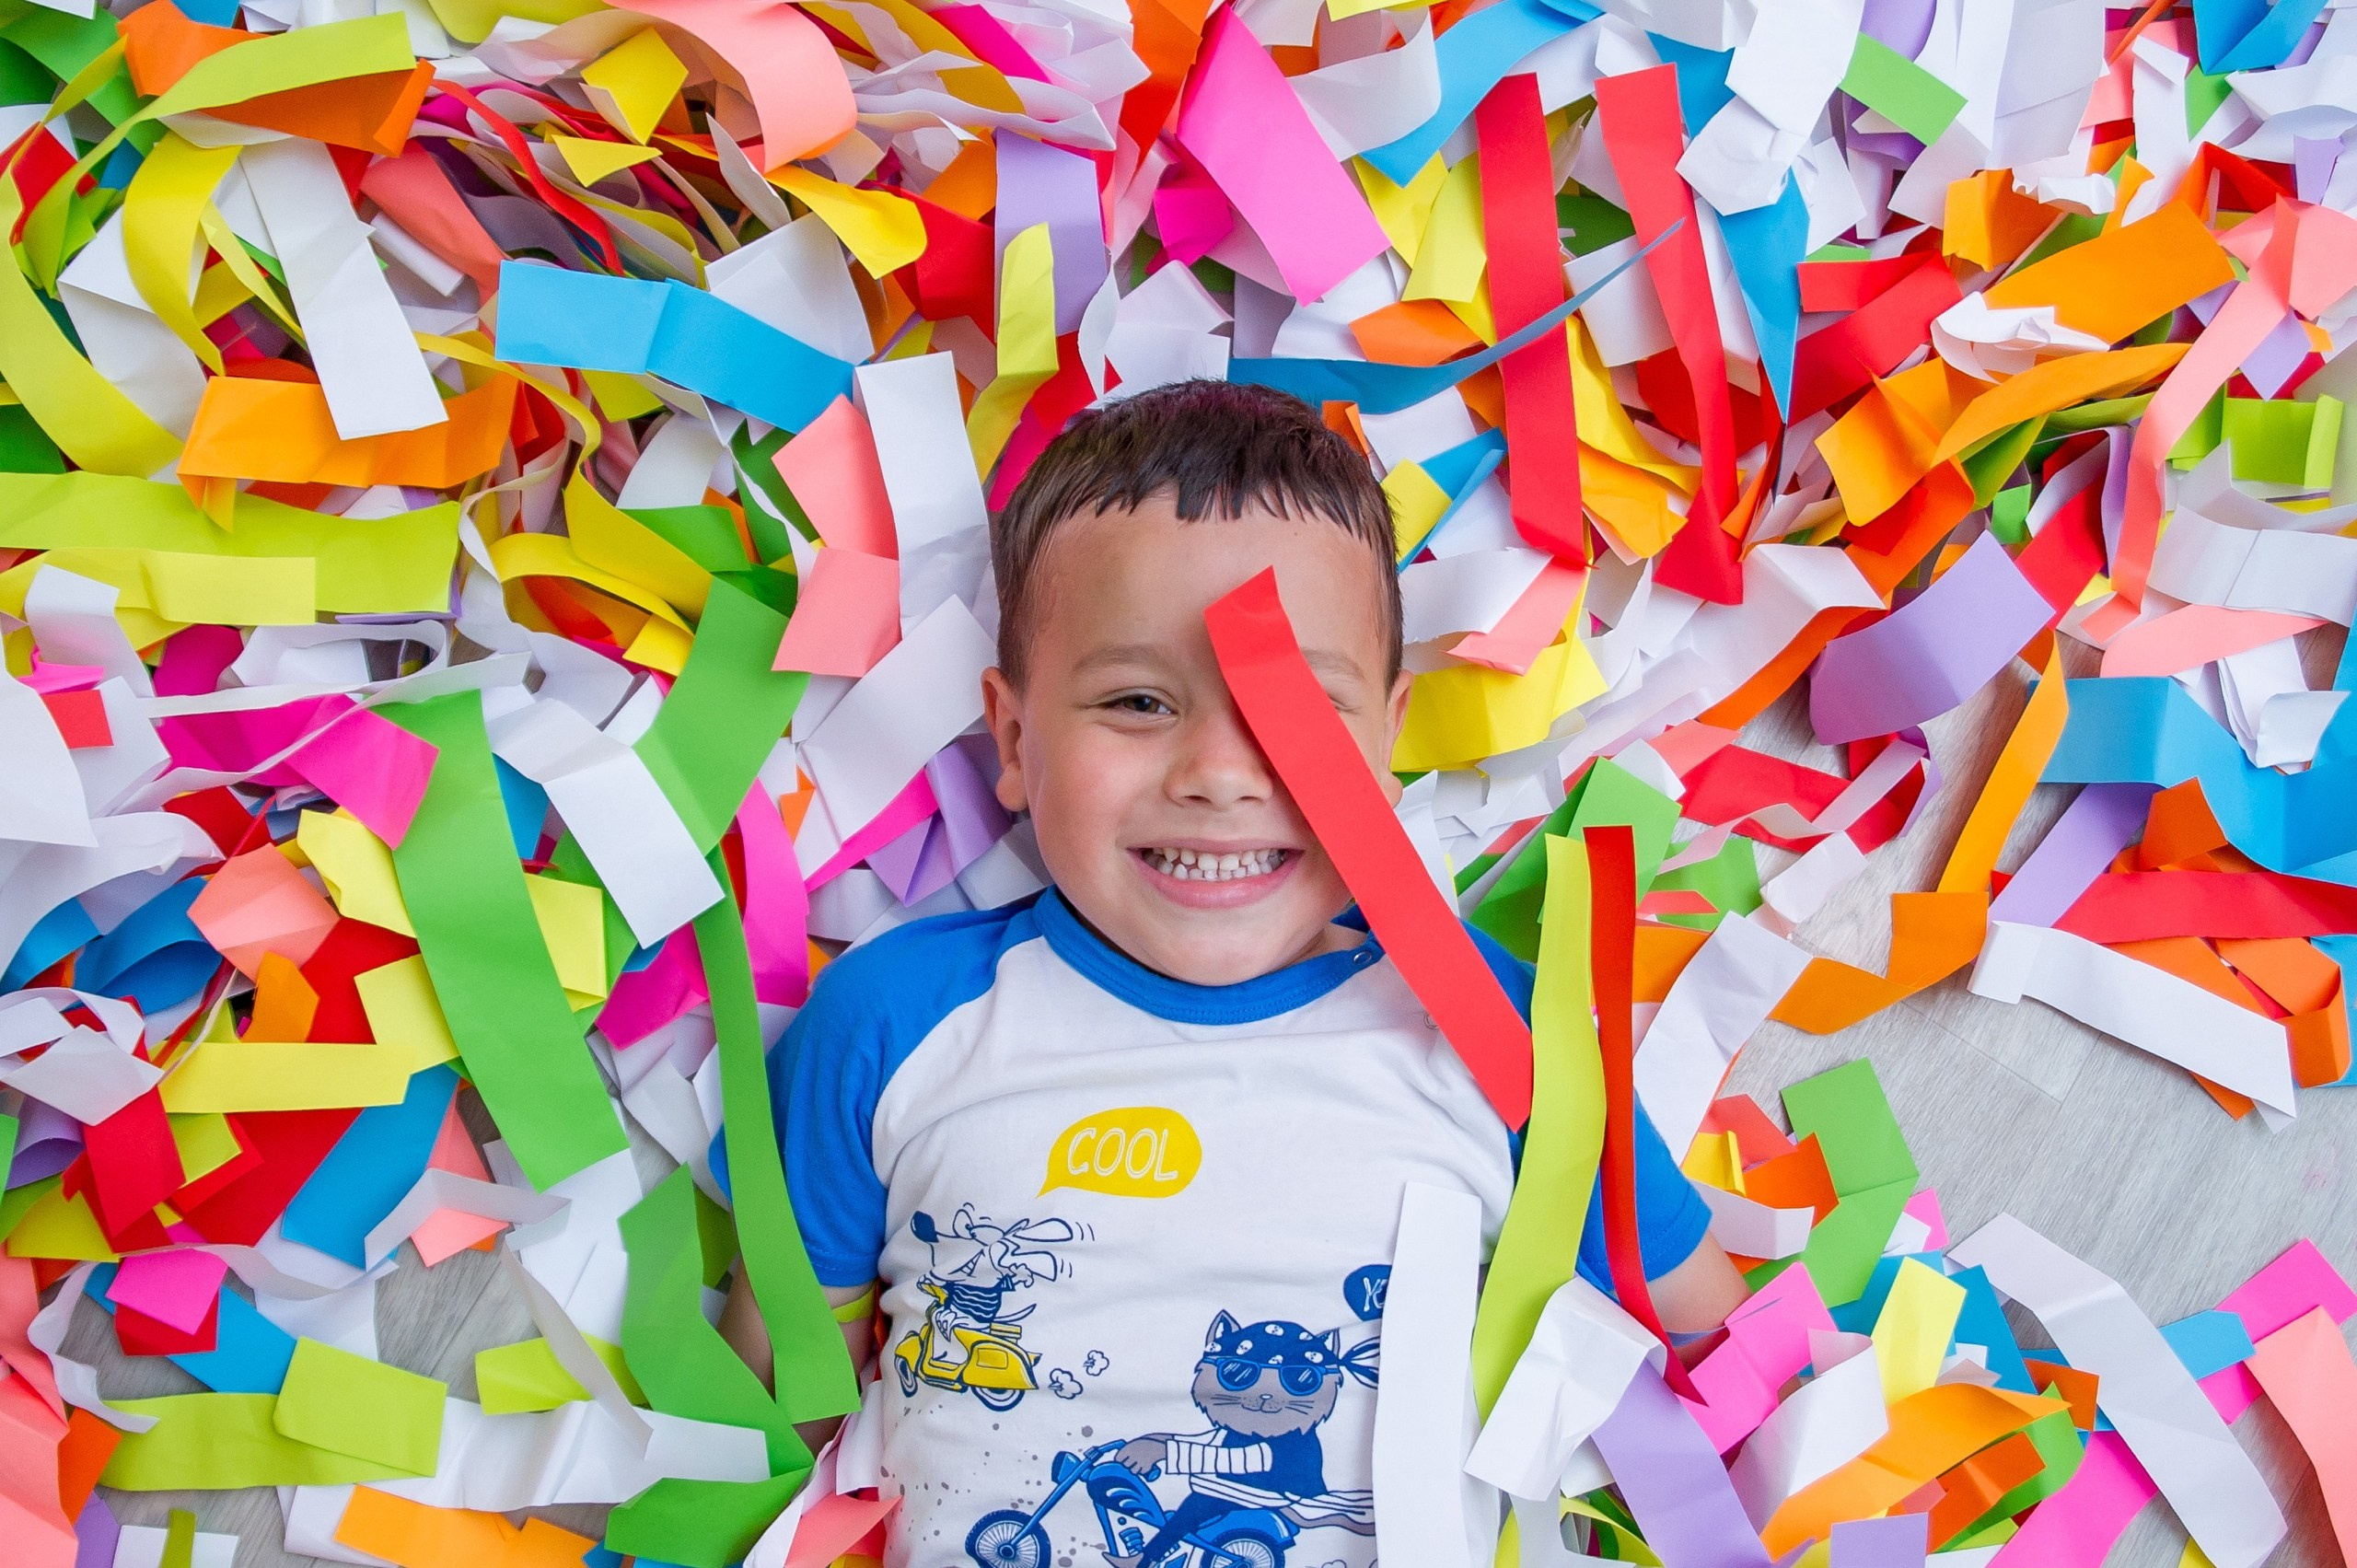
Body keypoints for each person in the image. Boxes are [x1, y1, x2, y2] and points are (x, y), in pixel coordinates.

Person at [719, 379, 1749, 1568]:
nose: (1220, 771)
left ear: (1387, 739)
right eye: (1139, 701)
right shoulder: (892, 1028)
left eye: (1296, 707)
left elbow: (1727, 1365)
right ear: (1013, 741)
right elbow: (774, 1436)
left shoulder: (1496, 1030)